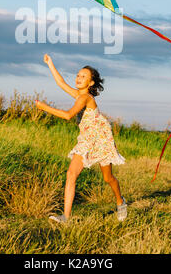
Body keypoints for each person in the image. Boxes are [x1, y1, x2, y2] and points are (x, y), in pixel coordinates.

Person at [35, 54, 127, 223]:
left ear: (91, 83)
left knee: (108, 178)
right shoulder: (79, 94)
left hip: (100, 139)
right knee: (71, 174)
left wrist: (44, 107)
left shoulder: (86, 98)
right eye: (78, 75)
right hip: (85, 140)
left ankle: (121, 202)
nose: (78, 78)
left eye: (83, 76)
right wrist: (50, 64)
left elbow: (69, 115)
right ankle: (66, 217)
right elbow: (61, 83)